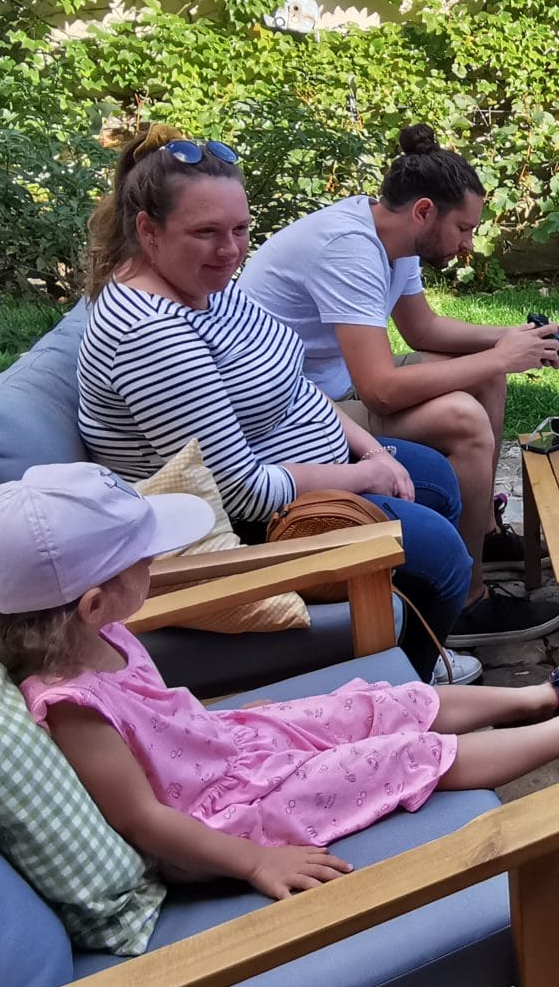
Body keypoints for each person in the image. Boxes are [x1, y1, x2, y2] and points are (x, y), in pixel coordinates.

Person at [0, 464, 559, 902]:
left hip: (229, 750)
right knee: (394, 756)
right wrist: (254, 862)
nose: (154, 567)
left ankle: (543, 695)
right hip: (225, 820)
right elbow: (144, 820)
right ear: (92, 603)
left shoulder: (94, 632)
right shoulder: (73, 707)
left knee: (376, 704)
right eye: (141, 561)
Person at [73, 125, 484, 681]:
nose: (231, 250)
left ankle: (417, 647)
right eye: (207, 232)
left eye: (241, 230)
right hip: (259, 528)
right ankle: (405, 688)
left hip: (302, 465)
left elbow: (292, 380)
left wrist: (368, 451)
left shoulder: (205, 289)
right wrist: (364, 477)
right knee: (441, 555)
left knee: (433, 476)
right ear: (148, 230)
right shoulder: (151, 335)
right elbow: (242, 493)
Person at [236, 125, 559, 649]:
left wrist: (511, 342)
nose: (467, 244)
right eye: (463, 229)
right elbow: (380, 389)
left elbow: (422, 330)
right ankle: (466, 603)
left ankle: (483, 534)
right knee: (464, 418)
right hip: (297, 411)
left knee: (488, 375)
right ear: (424, 211)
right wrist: (499, 353)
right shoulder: (349, 250)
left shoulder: (393, 236)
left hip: (337, 387)